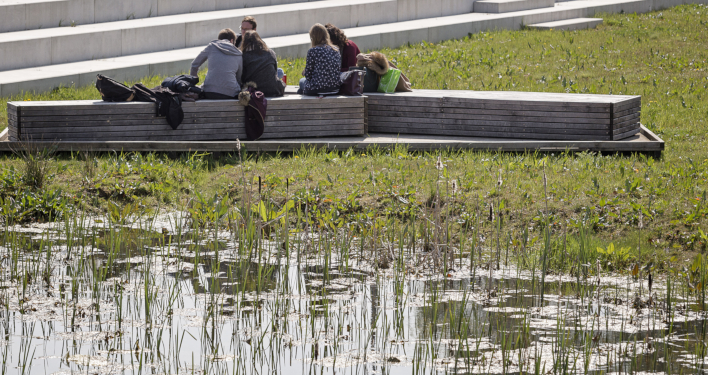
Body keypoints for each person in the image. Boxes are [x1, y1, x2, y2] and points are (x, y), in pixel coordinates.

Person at [190, 28, 243, 99]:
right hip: (230, 94)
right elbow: (239, 78)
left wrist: (193, 84)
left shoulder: (212, 46)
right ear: (232, 40)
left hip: (209, 91)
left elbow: (194, 64)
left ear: (219, 39)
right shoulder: (238, 54)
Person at [298, 23, 341, 96]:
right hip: (335, 89)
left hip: (317, 88)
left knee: (301, 81)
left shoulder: (313, 51)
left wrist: (304, 72)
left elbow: (308, 76)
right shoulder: (336, 50)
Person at [240, 30, 285, 97]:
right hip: (273, 89)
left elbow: (242, 77)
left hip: (254, 90)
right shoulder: (270, 53)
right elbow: (275, 72)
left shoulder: (243, 56)